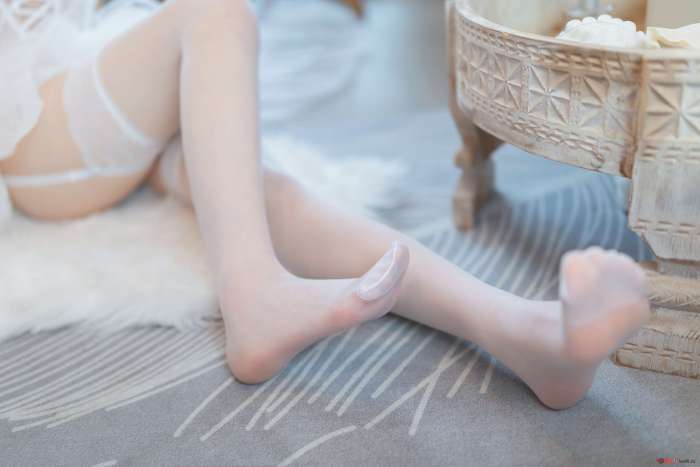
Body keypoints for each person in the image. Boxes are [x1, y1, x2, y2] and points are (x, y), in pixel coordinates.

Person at [0, 0, 650, 410]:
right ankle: (254, 299)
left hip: (87, 79)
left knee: (260, 194)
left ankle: (528, 335)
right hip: (33, 125)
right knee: (216, 13)